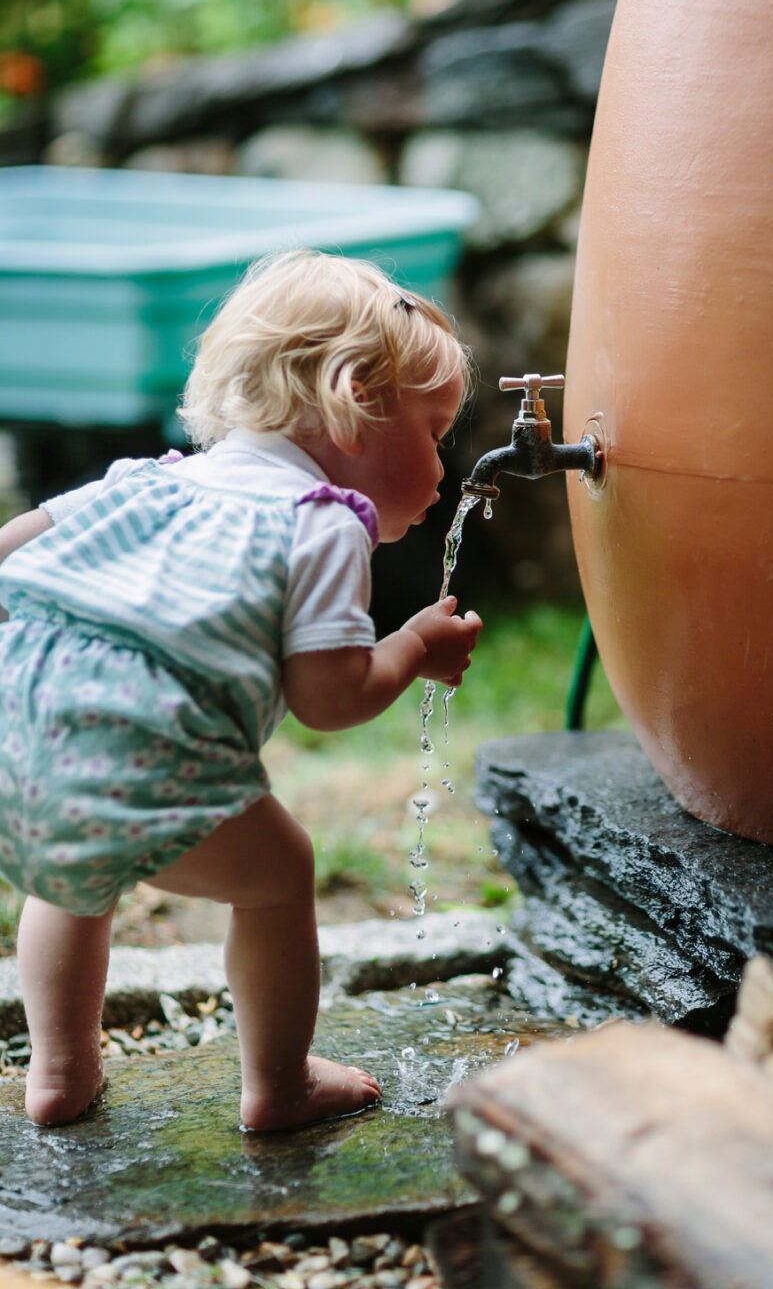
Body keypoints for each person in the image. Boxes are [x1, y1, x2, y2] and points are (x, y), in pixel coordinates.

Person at [0, 248, 482, 1132]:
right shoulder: (320, 523)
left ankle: (61, 1072)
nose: (445, 469)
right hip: (151, 758)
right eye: (435, 432)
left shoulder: (149, 481)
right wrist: (413, 645)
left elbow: (10, 548)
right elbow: (329, 700)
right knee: (279, 872)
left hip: (22, 751)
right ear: (354, 404)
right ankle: (281, 1084)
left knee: (74, 880)